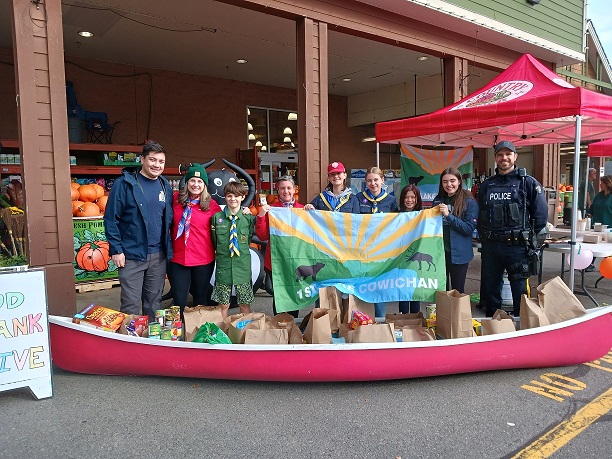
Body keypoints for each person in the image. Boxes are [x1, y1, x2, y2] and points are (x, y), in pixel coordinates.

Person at [477, 140, 548, 317]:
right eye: (500, 155)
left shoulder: (528, 183)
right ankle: (494, 325)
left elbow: (541, 217)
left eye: (508, 154)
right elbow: (481, 214)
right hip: (492, 247)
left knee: (519, 290)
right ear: (495, 158)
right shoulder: (487, 185)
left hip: (517, 247)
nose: (504, 158)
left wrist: (530, 241)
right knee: (491, 289)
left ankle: (522, 325)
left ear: (515, 157)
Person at [104, 140, 173, 320]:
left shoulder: (165, 185)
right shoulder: (124, 184)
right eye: (152, 160)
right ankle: (130, 343)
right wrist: (116, 250)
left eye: (161, 161)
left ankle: (151, 342)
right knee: (130, 304)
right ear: (142, 159)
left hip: (158, 256)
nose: (157, 165)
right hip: (131, 255)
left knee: (154, 303)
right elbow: (111, 219)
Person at [167, 164, 221, 314]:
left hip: (203, 260)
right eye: (192, 180)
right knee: (179, 300)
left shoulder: (212, 205)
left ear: (204, 184)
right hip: (178, 258)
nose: (196, 184)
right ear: (187, 182)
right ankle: (177, 333)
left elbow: (224, 222)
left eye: (199, 181)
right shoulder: (175, 200)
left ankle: (197, 332)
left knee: (200, 299)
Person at [255, 176, 304, 317]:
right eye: (282, 188)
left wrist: (310, 212)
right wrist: (261, 216)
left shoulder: (302, 210)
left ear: (294, 189)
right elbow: (263, 236)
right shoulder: (272, 209)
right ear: (278, 190)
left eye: (289, 188)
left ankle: (293, 325)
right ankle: (278, 326)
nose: (286, 191)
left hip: (296, 261)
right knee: (279, 296)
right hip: (277, 261)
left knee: (294, 294)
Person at [210, 181, 255, 319]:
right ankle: (221, 333)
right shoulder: (217, 218)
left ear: (242, 197)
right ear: (225, 197)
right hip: (224, 267)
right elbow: (214, 241)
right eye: (229, 196)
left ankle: (244, 332)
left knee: (244, 304)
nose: (233, 199)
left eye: (237, 196)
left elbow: (249, 239)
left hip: (242, 267)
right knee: (223, 304)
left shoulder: (248, 218)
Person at [358, 166, 398, 317]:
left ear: (382, 180)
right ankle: (362, 319)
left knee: (380, 285)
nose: (373, 183)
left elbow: (396, 225)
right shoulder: (358, 198)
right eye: (369, 180)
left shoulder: (391, 200)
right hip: (363, 249)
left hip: (382, 250)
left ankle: (380, 320)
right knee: (363, 285)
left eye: (376, 180)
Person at [432, 167, 479, 294]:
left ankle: (457, 314)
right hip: (440, 254)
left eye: (452, 181)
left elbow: (468, 228)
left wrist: (449, 216)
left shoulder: (469, 201)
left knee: (457, 292)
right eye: (445, 181)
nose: (449, 185)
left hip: (459, 255)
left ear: (459, 181)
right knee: (441, 291)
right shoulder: (438, 199)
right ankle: (444, 313)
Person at [398, 184, 423, 314]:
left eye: (413, 197)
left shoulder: (423, 216)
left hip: (416, 257)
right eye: (406, 197)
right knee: (402, 289)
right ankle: (402, 318)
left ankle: (415, 317)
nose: (409, 200)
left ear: (417, 198)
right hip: (401, 257)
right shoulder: (396, 216)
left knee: (414, 289)